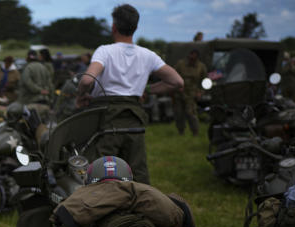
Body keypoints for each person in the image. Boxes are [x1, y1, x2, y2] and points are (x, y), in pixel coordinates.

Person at [76, 4, 183, 184]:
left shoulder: (104, 51)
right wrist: (147, 90)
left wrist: (81, 96)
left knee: (100, 174)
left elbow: (87, 80)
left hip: (106, 119)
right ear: (135, 28)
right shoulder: (148, 55)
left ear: (114, 27)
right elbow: (177, 82)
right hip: (134, 120)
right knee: (137, 173)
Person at [172, 48, 207, 136]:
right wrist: (177, 86)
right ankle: (181, 132)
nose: (192, 57)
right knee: (179, 113)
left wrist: (200, 92)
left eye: (194, 55)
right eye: (191, 54)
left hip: (192, 94)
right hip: (179, 93)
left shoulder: (201, 67)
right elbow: (172, 75)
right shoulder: (180, 64)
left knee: (191, 113)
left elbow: (205, 81)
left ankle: (195, 132)